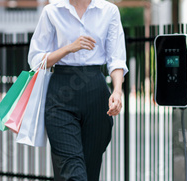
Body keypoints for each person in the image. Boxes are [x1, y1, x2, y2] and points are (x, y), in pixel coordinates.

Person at [27, 0, 128, 180]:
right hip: (60, 94)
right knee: (72, 171)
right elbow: (35, 60)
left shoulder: (109, 11)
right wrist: (68, 48)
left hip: (96, 92)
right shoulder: (52, 11)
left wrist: (117, 91)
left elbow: (117, 59)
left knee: (90, 171)